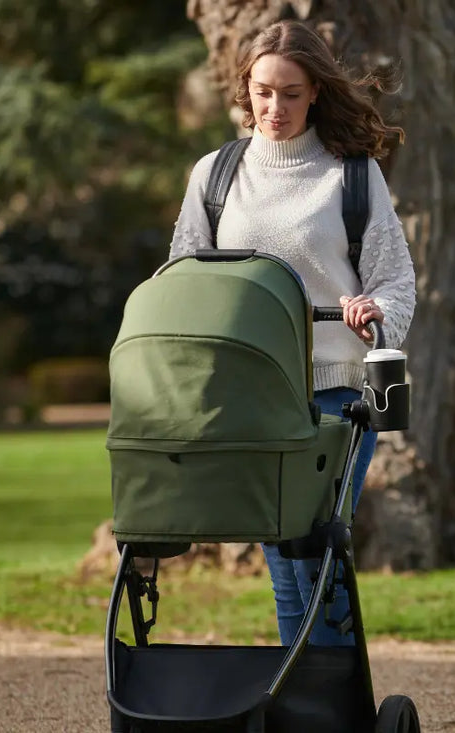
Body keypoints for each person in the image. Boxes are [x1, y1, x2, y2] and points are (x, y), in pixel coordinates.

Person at [167, 20, 415, 647]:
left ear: (316, 94)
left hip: (337, 398)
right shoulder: (215, 175)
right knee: (283, 561)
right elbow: (182, 277)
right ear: (244, 89)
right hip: (251, 399)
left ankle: (331, 703)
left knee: (317, 552)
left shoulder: (351, 177)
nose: (274, 107)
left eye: (291, 93)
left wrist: (369, 309)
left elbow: (396, 284)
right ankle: (307, 700)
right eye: (262, 91)